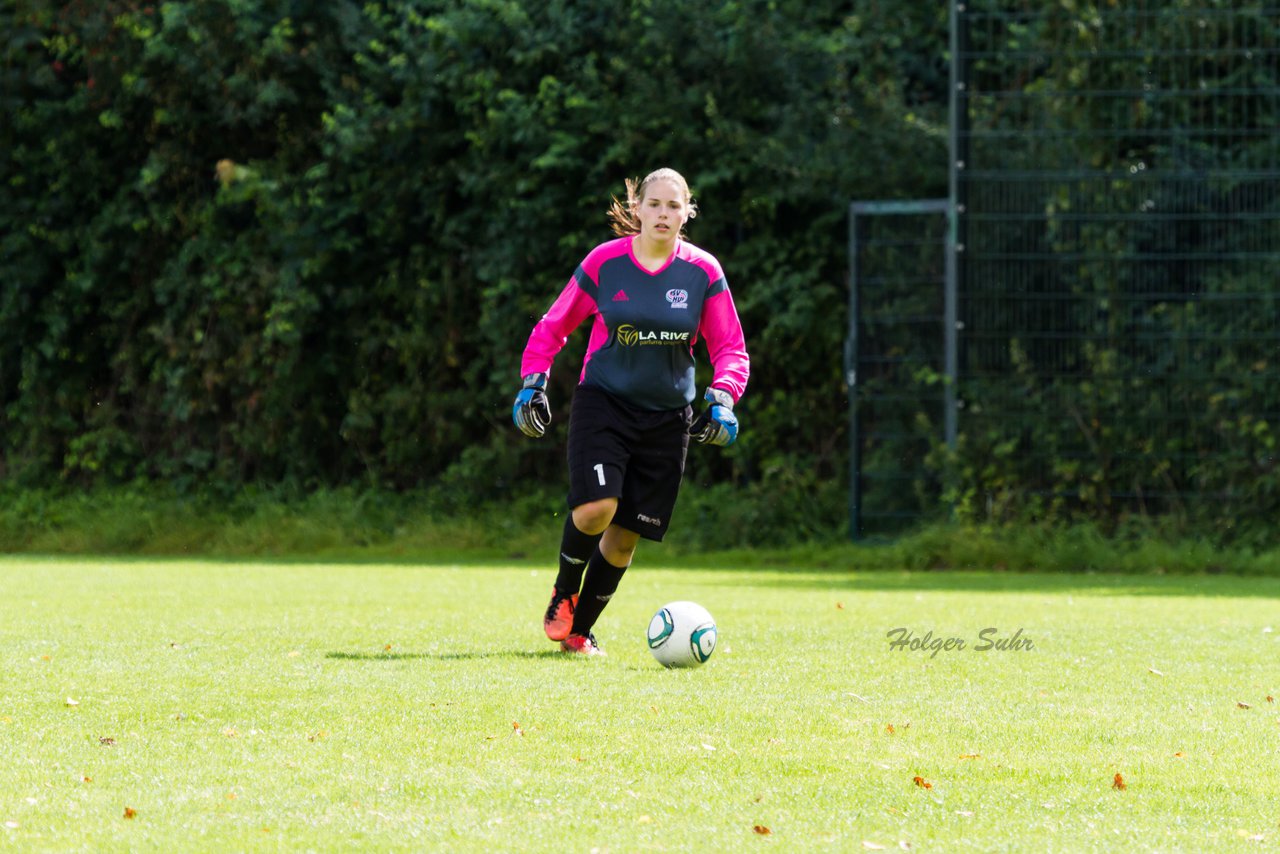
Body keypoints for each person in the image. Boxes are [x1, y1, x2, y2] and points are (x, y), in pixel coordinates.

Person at [512, 167, 750, 656]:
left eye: (674, 206)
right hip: (605, 403)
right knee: (597, 509)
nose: (663, 214)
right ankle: (563, 591)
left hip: (668, 417)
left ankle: (578, 634)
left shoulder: (703, 271)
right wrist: (533, 381)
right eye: (655, 204)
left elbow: (730, 348)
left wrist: (723, 397)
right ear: (637, 208)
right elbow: (553, 325)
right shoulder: (605, 263)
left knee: (623, 540)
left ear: (687, 213)